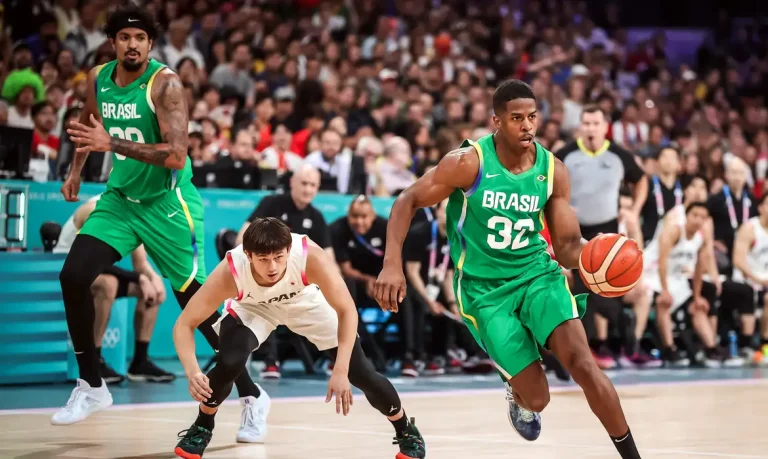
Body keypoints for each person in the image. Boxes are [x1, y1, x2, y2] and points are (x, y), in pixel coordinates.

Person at [375, 80, 641, 458]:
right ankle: (517, 389)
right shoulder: (468, 163)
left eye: (532, 117)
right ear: (496, 120)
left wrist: (600, 257)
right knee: (539, 397)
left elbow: (566, 247)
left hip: (537, 275)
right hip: (485, 290)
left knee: (584, 364)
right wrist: (391, 265)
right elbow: (408, 199)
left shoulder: (553, 170)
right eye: (517, 118)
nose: (527, 126)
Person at [53, 7, 264, 441]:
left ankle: (251, 394)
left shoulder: (165, 85)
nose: (133, 44)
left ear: (151, 44)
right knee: (73, 276)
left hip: (169, 205)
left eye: (141, 37)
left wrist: (109, 143)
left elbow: (176, 156)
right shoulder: (98, 78)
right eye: (125, 36)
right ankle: (91, 385)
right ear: (113, 41)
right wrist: (76, 170)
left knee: (197, 306)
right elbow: (86, 126)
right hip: (121, 201)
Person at [172, 217, 426, 459]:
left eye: (278, 257)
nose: (272, 267)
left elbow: (347, 310)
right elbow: (184, 324)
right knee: (229, 361)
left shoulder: (310, 256)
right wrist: (193, 371)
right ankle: (202, 426)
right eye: (263, 259)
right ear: (247, 255)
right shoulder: (231, 271)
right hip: (253, 306)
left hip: (305, 302)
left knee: (361, 373)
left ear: (289, 249)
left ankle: (406, 430)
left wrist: (340, 369)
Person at [54, 194, 173, 383]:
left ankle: (140, 362)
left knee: (150, 289)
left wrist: (153, 278)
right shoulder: (95, 209)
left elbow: (140, 263)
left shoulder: (136, 215)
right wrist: (139, 277)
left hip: (94, 275)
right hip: (64, 272)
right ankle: (94, 361)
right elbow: (91, 262)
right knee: (109, 284)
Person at [236, 163, 333, 379]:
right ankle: (270, 361)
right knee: (267, 289)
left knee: (342, 287)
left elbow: (329, 258)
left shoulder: (316, 216)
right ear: (292, 183)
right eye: (304, 183)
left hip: (301, 282)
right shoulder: (271, 204)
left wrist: (332, 282)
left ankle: (336, 355)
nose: (308, 189)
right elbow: (243, 236)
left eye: (313, 185)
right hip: (267, 276)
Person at [646, 200, 742, 368]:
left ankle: (712, 349)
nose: (698, 220)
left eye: (702, 217)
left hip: (676, 278)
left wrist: (697, 296)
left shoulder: (701, 238)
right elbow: (662, 261)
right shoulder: (674, 230)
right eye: (694, 215)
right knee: (664, 304)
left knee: (698, 307)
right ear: (686, 216)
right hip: (651, 275)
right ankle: (670, 350)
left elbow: (699, 268)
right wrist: (665, 291)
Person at [731, 192, 768, 364]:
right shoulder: (750, 229)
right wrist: (758, 280)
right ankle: (764, 344)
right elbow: (738, 260)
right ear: (760, 208)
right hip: (748, 280)